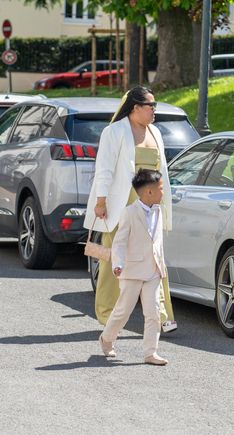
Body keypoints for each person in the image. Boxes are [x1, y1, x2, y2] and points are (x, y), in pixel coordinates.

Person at [83, 85, 177, 332]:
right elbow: (104, 169)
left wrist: (164, 199)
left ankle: (162, 316)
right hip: (123, 205)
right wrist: (101, 201)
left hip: (150, 205)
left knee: (156, 258)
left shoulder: (155, 132)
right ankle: (106, 314)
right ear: (135, 108)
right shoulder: (114, 132)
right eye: (150, 106)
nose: (154, 111)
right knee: (114, 258)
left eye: (155, 106)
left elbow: (161, 171)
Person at [99, 169, 169, 365]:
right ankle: (107, 338)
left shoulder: (159, 211)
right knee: (123, 311)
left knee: (153, 312)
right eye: (160, 189)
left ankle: (150, 352)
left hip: (153, 270)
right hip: (131, 270)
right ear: (148, 192)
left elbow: (157, 242)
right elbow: (120, 242)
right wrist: (118, 264)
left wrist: (161, 265)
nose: (163, 193)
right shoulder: (129, 213)